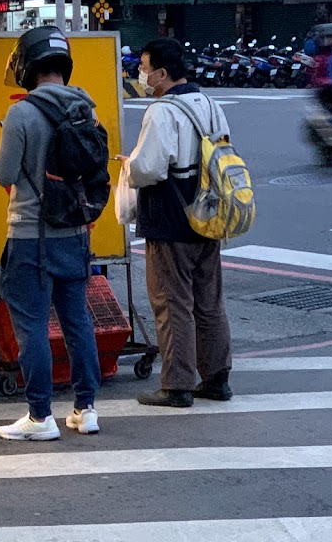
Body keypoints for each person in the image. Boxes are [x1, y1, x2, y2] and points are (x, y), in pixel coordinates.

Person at [0, 26, 101, 441]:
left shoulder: (22, 113)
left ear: (27, 66)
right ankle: (85, 409)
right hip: (75, 234)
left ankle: (40, 417)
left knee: (32, 326)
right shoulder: (86, 108)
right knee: (77, 322)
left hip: (30, 236)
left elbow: (3, 172)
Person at [126, 37, 233, 408]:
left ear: (162, 73)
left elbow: (149, 168)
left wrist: (128, 166)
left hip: (170, 215)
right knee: (209, 299)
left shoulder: (161, 111)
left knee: (172, 302)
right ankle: (217, 377)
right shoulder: (210, 104)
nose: (141, 74)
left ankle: (177, 385)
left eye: (144, 67)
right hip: (209, 212)